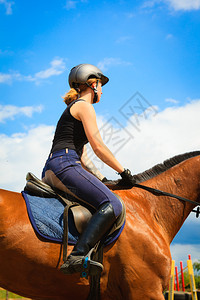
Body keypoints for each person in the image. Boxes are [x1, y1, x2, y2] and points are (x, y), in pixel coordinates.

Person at [42, 64, 134, 276]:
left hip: (54, 166)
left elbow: (83, 157)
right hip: (65, 164)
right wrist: (124, 172)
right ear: (92, 84)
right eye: (100, 85)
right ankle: (77, 256)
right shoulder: (85, 106)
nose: (102, 91)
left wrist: (103, 178)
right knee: (112, 203)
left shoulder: (74, 107)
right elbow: (98, 147)